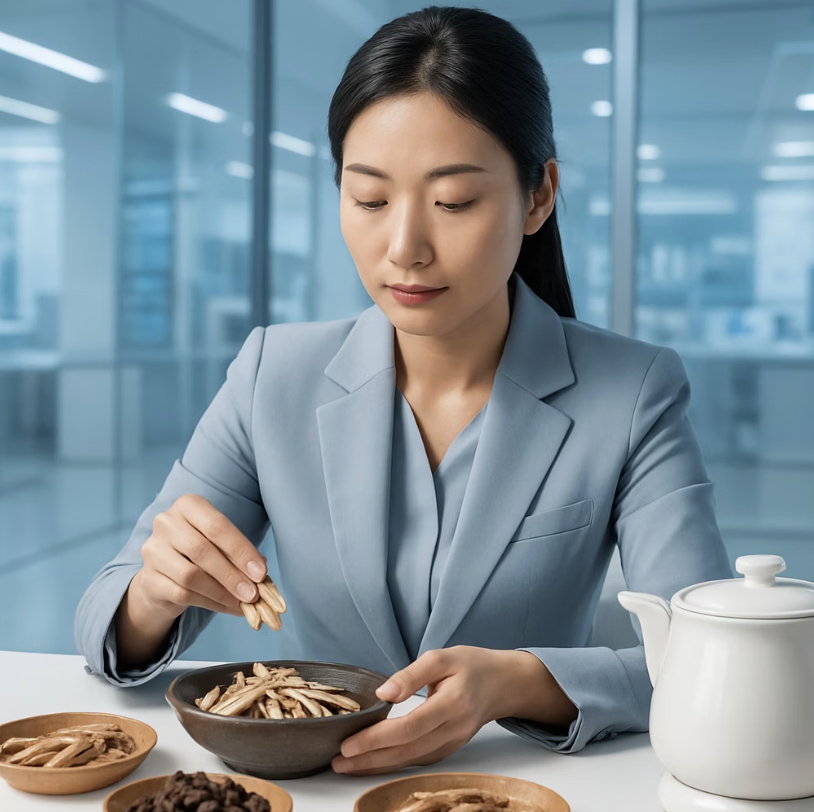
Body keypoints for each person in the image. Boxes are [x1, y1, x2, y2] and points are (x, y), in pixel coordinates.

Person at [75, 6, 732, 775]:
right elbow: (104, 620)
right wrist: (156, 594)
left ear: (537, 197)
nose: (405, 248)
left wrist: (520, 682)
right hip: (315, 789)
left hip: (515, 786)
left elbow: (708, 653)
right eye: (369, 199)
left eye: (453, 202)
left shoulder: (633, 391)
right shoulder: (271, 374)